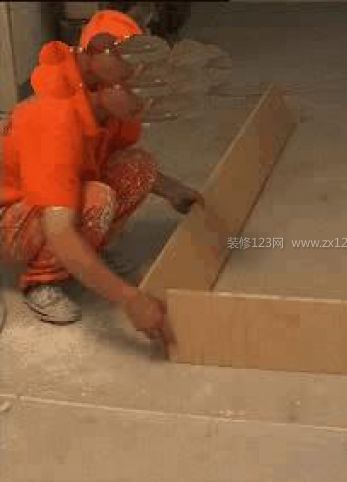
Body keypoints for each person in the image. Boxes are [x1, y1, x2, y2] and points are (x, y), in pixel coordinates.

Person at [0, 11, 199, 345]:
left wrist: (172, 190)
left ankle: (88, 252)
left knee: (139, 168)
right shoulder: (53, 118)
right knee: (97, 199)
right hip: (9, 216)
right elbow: (59, 230)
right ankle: (42, 280)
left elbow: (109, 158)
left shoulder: (111, 108)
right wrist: (129, 299)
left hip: (52, 198)